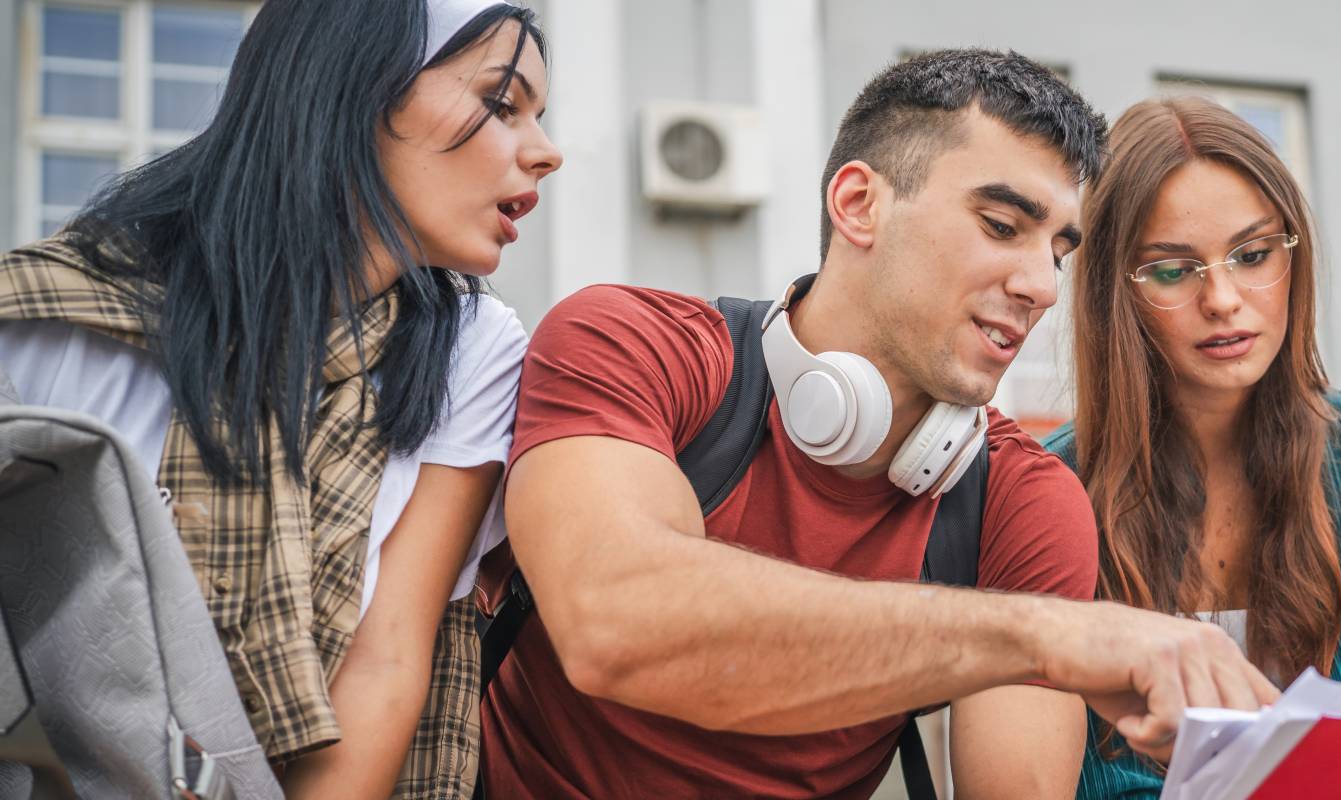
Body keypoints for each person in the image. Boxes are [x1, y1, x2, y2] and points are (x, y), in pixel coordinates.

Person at [480, 49, 1277, 799]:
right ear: (858, 204)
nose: (1040, 285)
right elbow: (614, 625)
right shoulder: (633, 344)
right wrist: (1049, 634)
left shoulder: (1022, 500)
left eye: (1059, 252)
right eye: (1002, 226)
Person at [0, 1, 560, 797]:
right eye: (501, 104)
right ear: (356, 87)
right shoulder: (51, 321)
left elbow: (389, 657)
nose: (547, 153)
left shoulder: (472, 346)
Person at [1039, 94, 1341, 799]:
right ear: (1114, 292)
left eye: (1252, 255)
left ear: (1292, 256)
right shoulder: (1051, 492)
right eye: (1172, 269)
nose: (1223, 298)